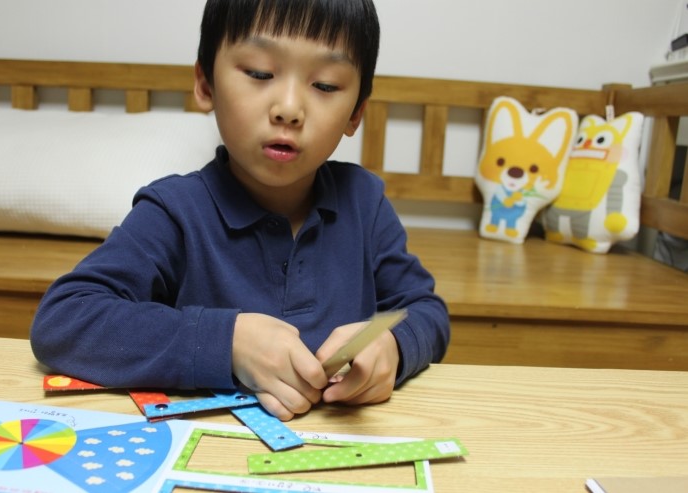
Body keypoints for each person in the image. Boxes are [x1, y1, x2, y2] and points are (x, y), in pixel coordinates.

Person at [30, 0, 450, 421]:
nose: (289, 109)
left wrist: (394, 346)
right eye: (260, 74)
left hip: (345, 445)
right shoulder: (174, 212)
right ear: (206, 85)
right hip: (208, 447)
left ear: (356, 111)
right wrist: (227, 341)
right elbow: (64, 320)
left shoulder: (365, 202)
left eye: (324, 85)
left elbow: (425, 310)